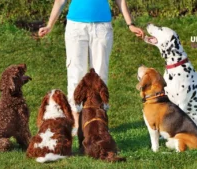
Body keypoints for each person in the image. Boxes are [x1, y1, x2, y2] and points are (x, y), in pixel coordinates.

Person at [38, 0, 145, 135]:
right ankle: (77, 123)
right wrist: (49, 25)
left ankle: (100, 120)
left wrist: (130, 24)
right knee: (75, 74)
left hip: (102, 28)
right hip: (76, 28)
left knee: (100, 76)